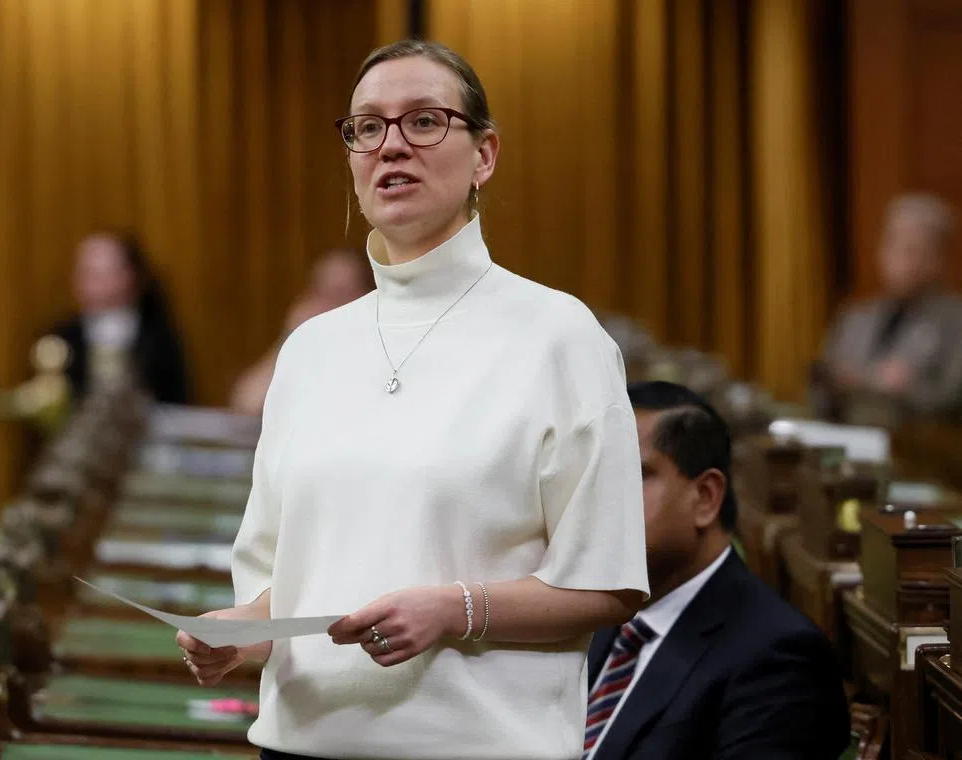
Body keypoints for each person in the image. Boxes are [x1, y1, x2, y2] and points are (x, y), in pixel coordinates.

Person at [176, 39, 649, 760]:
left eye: (424, 121)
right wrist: (237, 633)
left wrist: (456, 610)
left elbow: (607, 586)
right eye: (367, 127)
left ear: (484, 154)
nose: (390, 145)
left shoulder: (559, 336)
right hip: (301, 745)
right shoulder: (310, 350)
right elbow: (287, 584)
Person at [582, 381, 850, 760]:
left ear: (706, 497)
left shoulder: (778, 660)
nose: (603, 497)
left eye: (631, 473)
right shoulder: (600, 610)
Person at [815, 193, 962, 417]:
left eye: (915, 250)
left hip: (920, 446)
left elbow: (952, 398)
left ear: (939, 259)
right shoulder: (855, 318)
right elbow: (821, 390)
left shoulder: (955, 321)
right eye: (895, 246)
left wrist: (905, 390)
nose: (904, 262)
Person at [48, 231, 190, 404]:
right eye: (87, 273)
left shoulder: (158, 339)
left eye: (104, 274)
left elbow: (175, 399)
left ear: (130, 276)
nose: (94, 285)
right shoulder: (60, 339)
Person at [229, 249, 373, 416]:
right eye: (319, 293)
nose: (324, 306)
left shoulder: (378, 355)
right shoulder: (306, 349)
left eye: (338, 294)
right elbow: (248, 405)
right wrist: (288, 337)